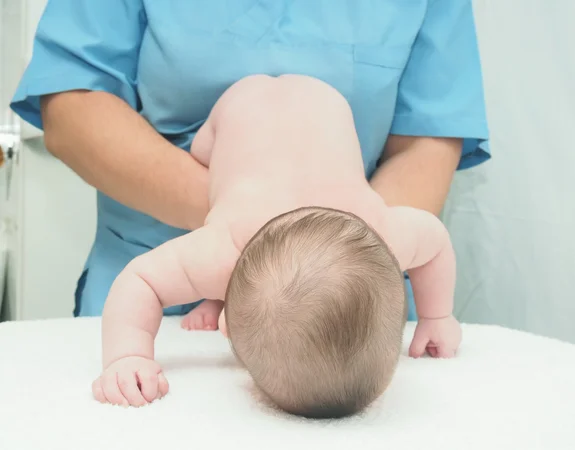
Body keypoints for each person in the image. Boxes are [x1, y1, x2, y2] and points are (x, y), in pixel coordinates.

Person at [10, 0, 489, 323]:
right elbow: (73, 108)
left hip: (346, 306)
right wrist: (248, 233)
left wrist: (324, 257)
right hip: (164, 295)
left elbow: (429, 138)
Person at [94, 74, 462, 417]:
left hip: (326, 107)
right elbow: (140, 280)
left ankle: (212, 294)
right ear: (228, 327)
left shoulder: (384, 233)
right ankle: (212, 293)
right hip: (239, 109)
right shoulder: (223, 249)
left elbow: (435, 242)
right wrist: (127, 355)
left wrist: (436, 316)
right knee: (203, 153)